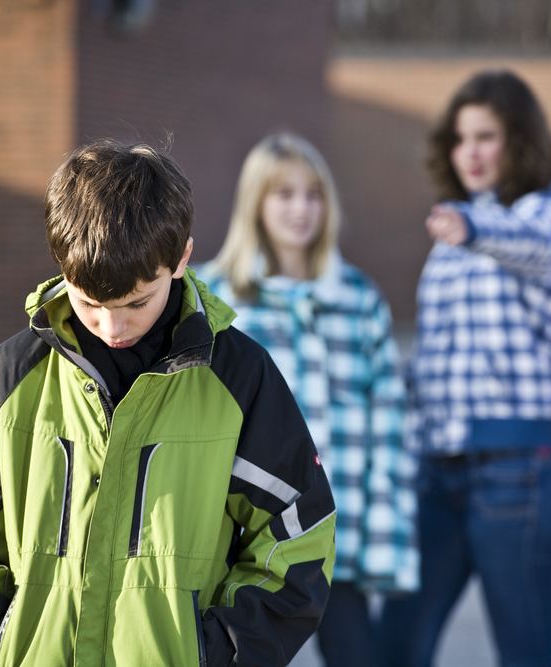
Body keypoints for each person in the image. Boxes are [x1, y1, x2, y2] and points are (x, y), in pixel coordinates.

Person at [0, 139, 337, 667]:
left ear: (181, 259)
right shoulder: (15, 372)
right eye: (89, 302)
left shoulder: (238, 377)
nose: (112, 327)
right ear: (62, 267)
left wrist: (215, 655)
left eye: (137, 302)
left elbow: (298, 536)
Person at [379, 70, 551, 667]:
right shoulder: (455, 229)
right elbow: (440, 353)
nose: (471, 152)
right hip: (440, 465)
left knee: (524, 652)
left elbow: (531, 241)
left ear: (519, 140)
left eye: (486, 137)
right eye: (461, 139)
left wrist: (474, 227)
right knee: (395, 645)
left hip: (518, 468)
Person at [195, 133, 418, 667]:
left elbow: (389, 426)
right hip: (247, 538)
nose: (302, 208)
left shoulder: (359, 299)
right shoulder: (212, 298)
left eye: (314, 194)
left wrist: (384, 541)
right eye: (285, 194)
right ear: (255, 202)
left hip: (336, 532)